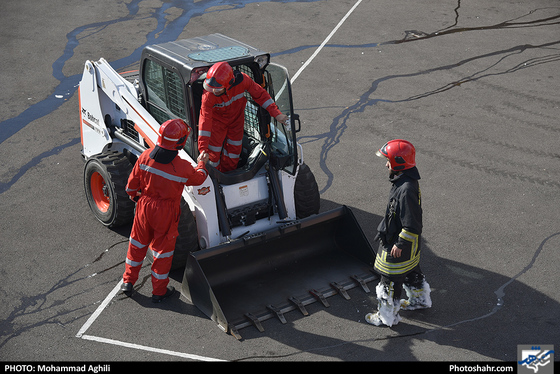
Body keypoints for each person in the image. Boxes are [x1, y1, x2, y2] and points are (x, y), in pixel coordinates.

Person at [121, 118, 209, 303]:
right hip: (166, 212)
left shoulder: (145, 156)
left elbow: (131, 186)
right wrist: (202, 164)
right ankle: (159, 292)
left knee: (136, 245)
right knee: (162, 252)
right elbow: (199, 179)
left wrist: (138, 198)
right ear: (181, 142)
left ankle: (127, 283)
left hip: (144, 207)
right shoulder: (182, 167)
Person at [366, 139, 431, 326]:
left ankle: (387, 317)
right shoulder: (405, 181)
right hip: (408, 247)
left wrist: (400, 243)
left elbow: (412, 224)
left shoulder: (405, 189)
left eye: (389, 160)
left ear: (399, 163)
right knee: (411, 270)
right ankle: (419, 300)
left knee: (389, 281)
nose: (386, 164)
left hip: (398, 245)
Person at [198, 61, 288, 172]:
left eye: (217, 89)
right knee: (212, 155)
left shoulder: (243, 81)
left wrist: (277, 114)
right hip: (217, 124)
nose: (212, 91)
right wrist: (203, 149)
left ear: (229, 84)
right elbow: (204, 121)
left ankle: (228, 174)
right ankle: (214, 177)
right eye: (211, 88)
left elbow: (261, 95)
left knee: (234, 153)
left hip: (236, 122)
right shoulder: (209, 95)